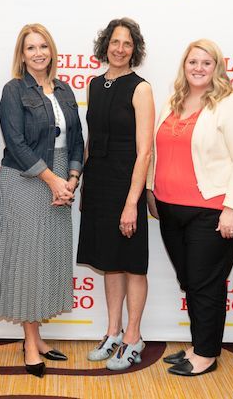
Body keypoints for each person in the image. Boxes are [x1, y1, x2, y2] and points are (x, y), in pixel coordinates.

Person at [146, 39, 233, 376]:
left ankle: (206, 354)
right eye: (192, 61)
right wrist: (153, 192)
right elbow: (159, 150)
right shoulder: (174, 101)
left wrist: (232, 208)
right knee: (191, 280)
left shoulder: (231, 104)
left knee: (205, 281)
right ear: (185, 65)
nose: (198, 68)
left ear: (217, 68)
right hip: (170, 209)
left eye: (206, 63)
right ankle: (199, 344)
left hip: (214, 210)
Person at [0, 24, 84, 378]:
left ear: (52, 51)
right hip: (26, 179)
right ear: (22, 55)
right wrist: (53, 180)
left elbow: (77, 142)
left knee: (46, 260)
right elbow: (16, 142)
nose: (38, 53)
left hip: (60, 182)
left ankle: (37, 335)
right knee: (26, 261)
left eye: (43, 46)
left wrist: (70, 179)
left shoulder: (66, 90)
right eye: (31, 48)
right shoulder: (13, 90)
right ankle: (29, 342)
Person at [77, 18, 155, 370]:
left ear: (134, 49)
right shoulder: (95, 84)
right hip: (99, 186)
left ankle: (134, 337)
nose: (120, 48)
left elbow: (145, 152)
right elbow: (93, 141)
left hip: (127, 187)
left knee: (132, 265)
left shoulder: (141, 89)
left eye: (127, 43)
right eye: (115, 42)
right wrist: (84, 183)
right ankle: (112, 332)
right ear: (105, 45)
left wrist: (131, 203)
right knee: (110, 262)